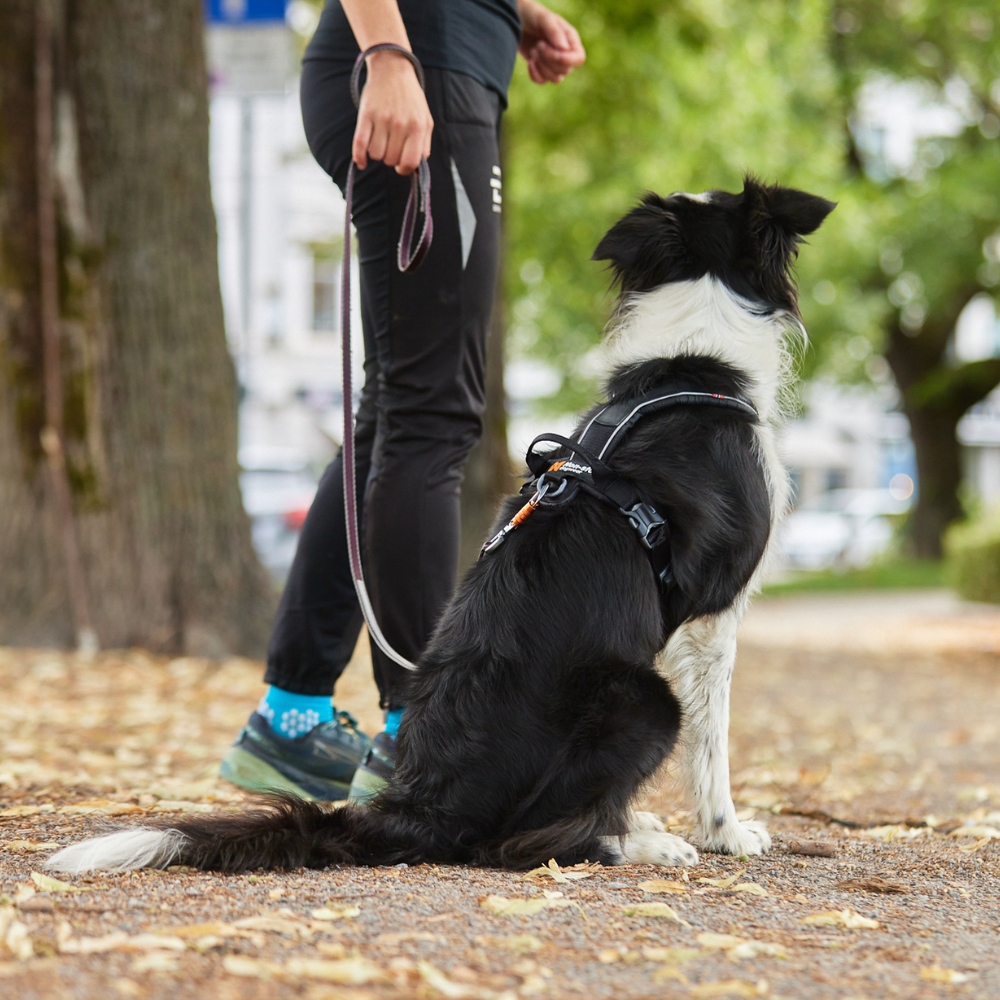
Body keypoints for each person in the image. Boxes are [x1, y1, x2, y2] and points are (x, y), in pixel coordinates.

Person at [220, 0, 585, 803]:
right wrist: (389, 52)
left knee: (391, 415)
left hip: (434, 63)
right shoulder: (402, 56)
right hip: (417, 69)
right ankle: (418, 742)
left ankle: (292, 722)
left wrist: (514, 13)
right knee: (432, 414)